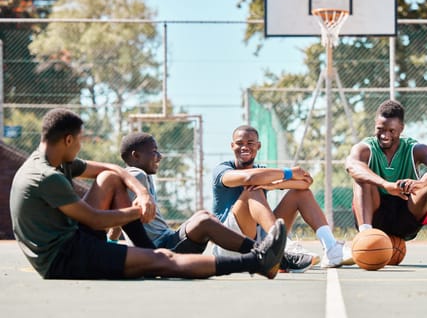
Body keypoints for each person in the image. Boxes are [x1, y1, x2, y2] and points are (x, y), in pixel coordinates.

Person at [9, 108, 287, 280]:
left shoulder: (53, 162)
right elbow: (94, 220)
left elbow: (111, 169)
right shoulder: (47, 177)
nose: (81, 147)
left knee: (109, 177)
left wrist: (141, 193)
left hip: (74, 243)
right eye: (80, 141)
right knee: (163, 261)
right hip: (65, 259)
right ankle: (255, 261)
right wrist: (136, 211)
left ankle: (146, 249)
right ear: (68, 139)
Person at [212, 125, 354, 270]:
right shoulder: (222, 170)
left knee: (300, 193)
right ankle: (284, 247)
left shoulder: (263, 171)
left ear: (258, 146)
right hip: (229, 244)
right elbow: (249, 178)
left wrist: (272, 185)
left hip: (258, 240)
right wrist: (289, 173)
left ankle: (331, 248)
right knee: (252, 190)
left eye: (250, 143)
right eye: (239, 143)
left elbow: (306, 182)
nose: (244, 147)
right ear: (232, 145)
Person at [345, 99, 427, 268]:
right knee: (362, 178)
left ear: (401, 128)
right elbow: (352, 166)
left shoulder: (413, 148)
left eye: (391, 130)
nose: (385, 135)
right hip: (375, 216)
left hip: (405, 216)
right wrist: (386, 185)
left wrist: (421, 183)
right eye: (380, 129)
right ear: (375, 126)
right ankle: (366, 238)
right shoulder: (365, 147)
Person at [108, 132, 263, 258]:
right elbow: (115, 206)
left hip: (168, 240)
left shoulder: (143, 175)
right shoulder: (136, 174)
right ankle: (260, 252)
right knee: (204, 221)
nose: (160, 156)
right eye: (154, 152)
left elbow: (119, 209)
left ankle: (256, 252)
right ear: (136, 156)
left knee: (203, 215)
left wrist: (112, 241)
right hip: (162, 249)